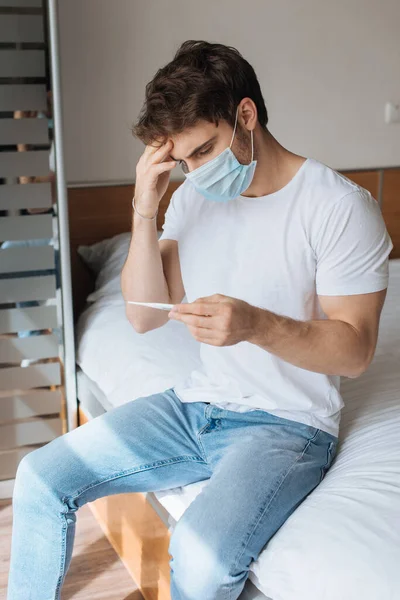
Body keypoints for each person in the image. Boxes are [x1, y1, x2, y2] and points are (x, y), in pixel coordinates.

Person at [7, 40, 393, 600]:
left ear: (245, 115)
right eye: (183, 161)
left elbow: (355, 350)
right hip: (196, 406)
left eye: (205, 151)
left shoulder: (338, 207)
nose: (195, 172)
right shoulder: (193, 200)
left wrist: (255, 325)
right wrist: (145, 206)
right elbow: (141, 317)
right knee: (40, 479)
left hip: (287, 426)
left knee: (199, 555)